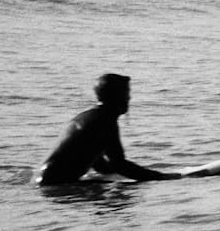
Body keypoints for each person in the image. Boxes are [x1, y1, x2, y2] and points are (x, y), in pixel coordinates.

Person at [34, 73, 180, 184]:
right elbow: (120, 165)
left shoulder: (87, 117)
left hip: (42, 180)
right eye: (126, 94)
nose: (129, 99)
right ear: (115, 97)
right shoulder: (105, 121)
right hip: (55, 183)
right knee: (122, 201)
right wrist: (162, 177)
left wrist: (115, 174)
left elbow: (99, 164)